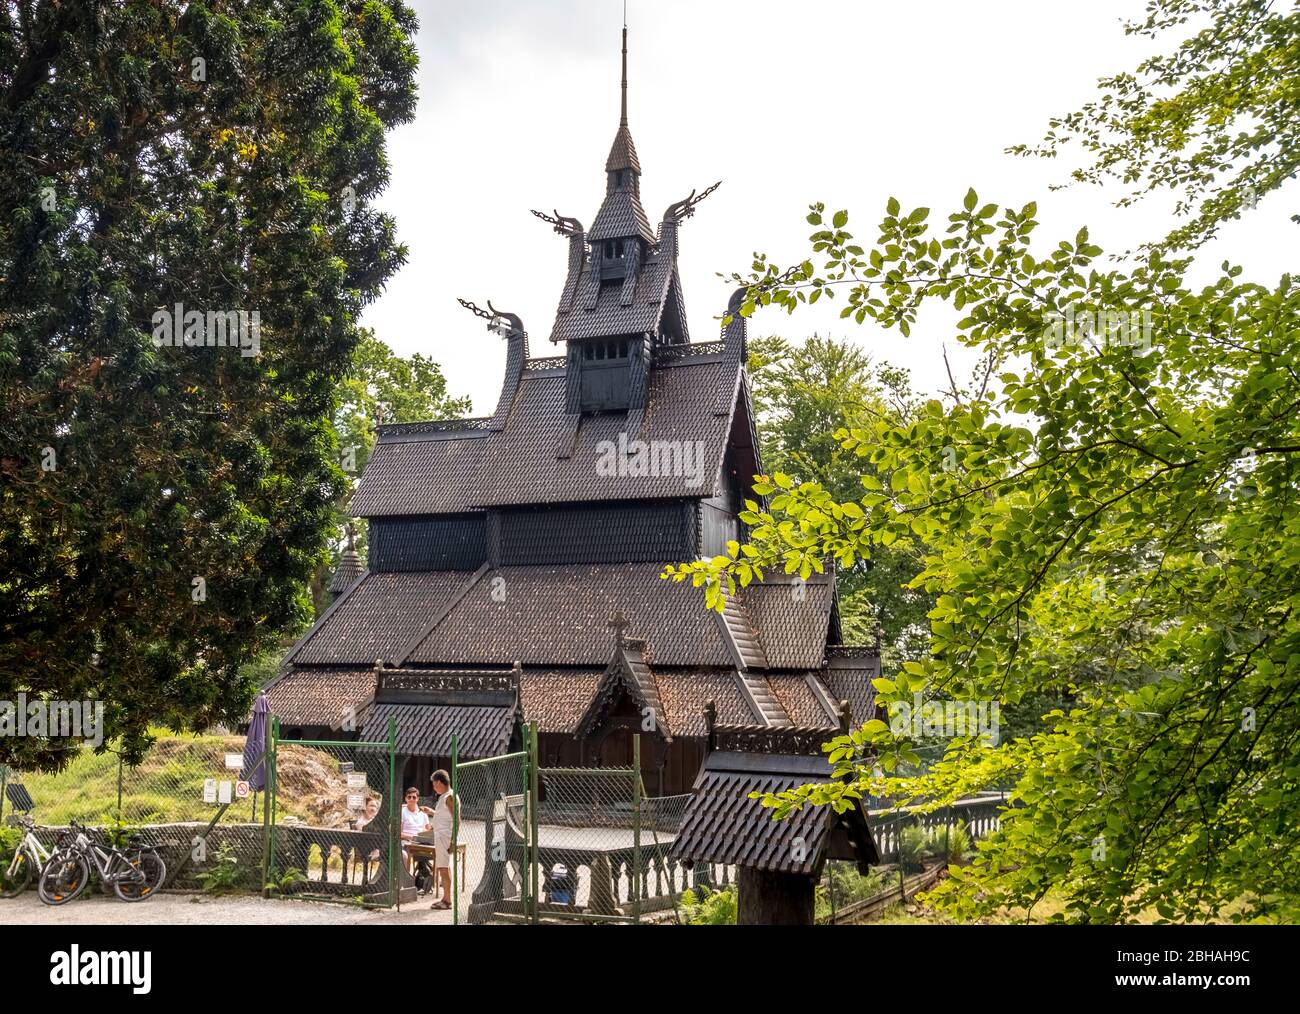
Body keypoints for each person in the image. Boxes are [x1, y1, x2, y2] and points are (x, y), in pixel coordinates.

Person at [429, 770, 457, 910]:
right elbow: (445, 816)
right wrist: (431, 813)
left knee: (443, 868)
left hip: (444, 836)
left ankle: (447, 901)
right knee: (444, 867)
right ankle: (446, 898)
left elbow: (456, 819)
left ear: (440, 782)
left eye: (434, 785)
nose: (434, 788)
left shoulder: (449, 797)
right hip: (443, 834)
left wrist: (453, 840)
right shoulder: (445, 796)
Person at [399, 786, 433, 873]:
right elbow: (399, 834)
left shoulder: (423, 813)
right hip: (406, 842)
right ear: (406, 799)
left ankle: (434, 880)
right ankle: (406, 880)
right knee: (405, 854)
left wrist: (422, 836)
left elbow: (429, 831)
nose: (411, 799)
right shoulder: (402, 812)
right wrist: (412, 837)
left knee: (438, 852)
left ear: (417, 799)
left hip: (420, 842)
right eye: (409, 797)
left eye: (414, 797)